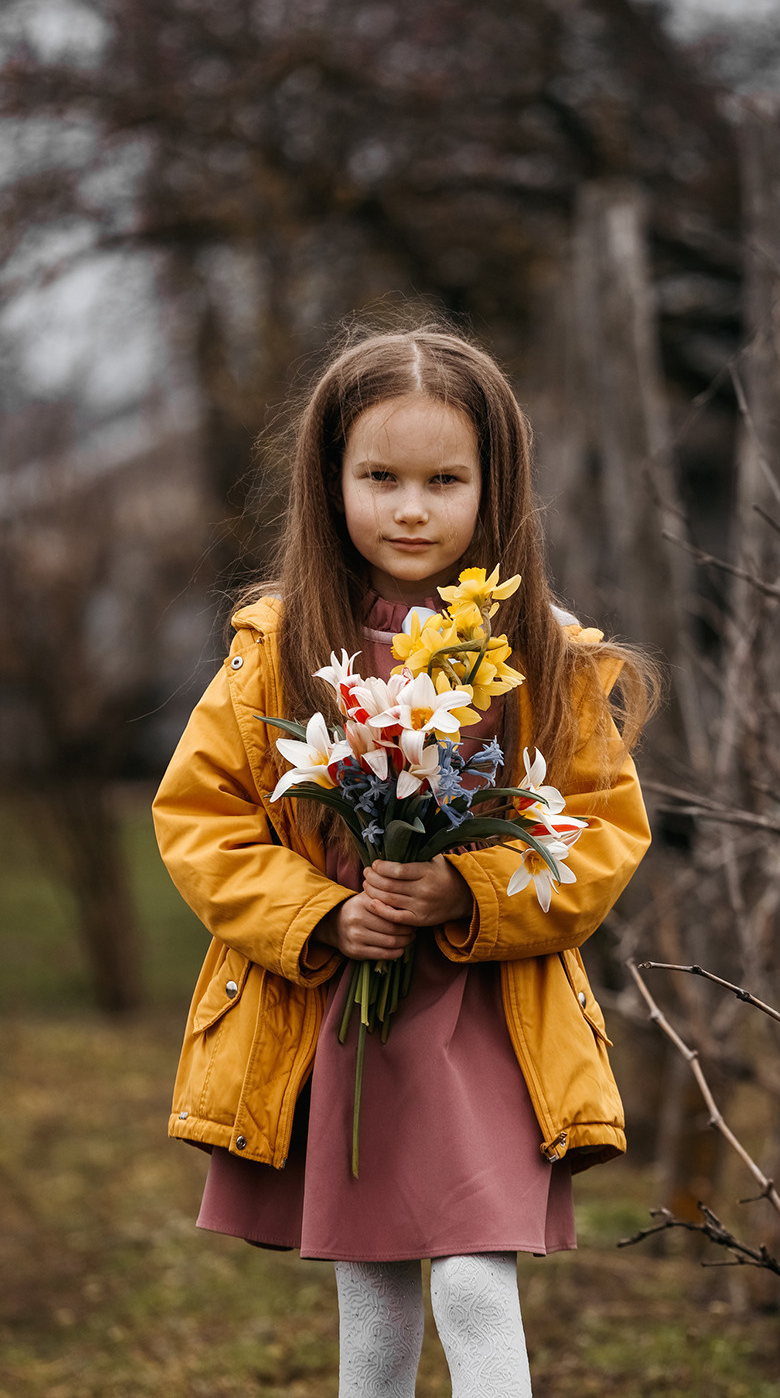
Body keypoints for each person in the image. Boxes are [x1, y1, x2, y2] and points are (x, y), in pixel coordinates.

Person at [153, 324, 658, 1398]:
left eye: (445, 479)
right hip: (348, 1014)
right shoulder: (278, 647)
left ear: (496, 486)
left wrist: (468, 887)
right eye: (378, 477)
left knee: (474, 1282)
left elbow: (602, 831)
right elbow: (204, 820)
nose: (411, 508)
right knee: (372, 1289)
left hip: (486, 1016)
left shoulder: (541, 657)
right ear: (330, 478)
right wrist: (322, 916)